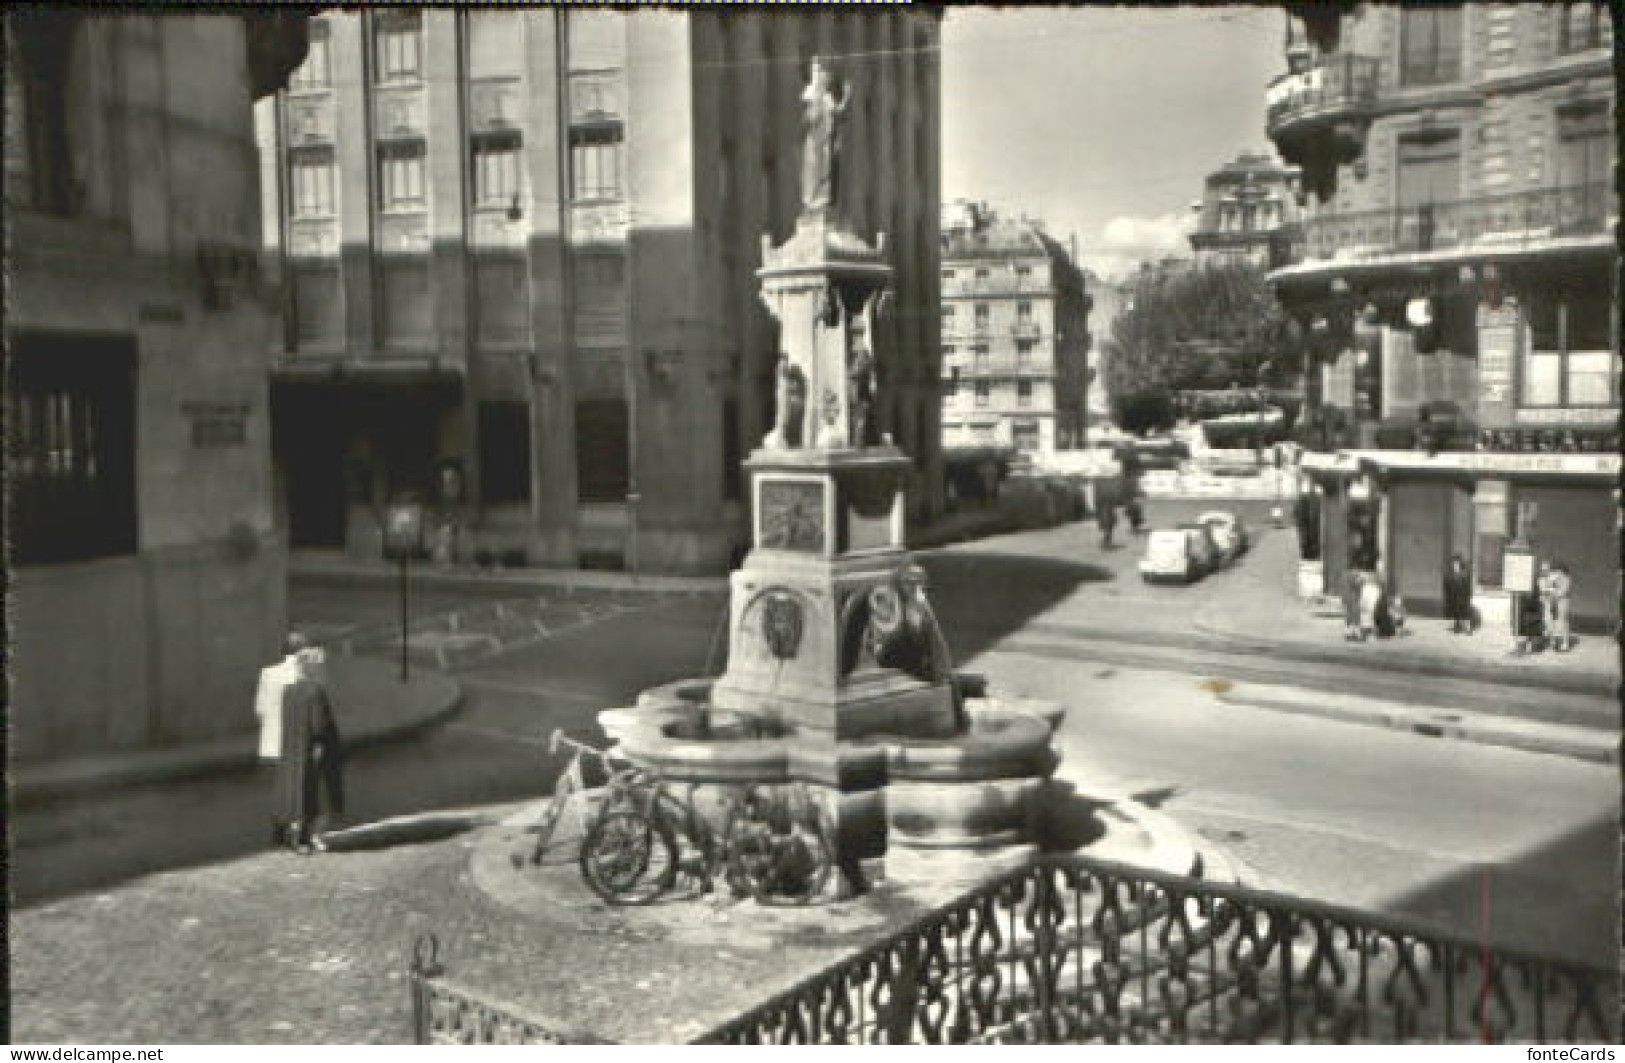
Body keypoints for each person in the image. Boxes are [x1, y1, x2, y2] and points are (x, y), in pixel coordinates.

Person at [276, 645, 345, 854]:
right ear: (312, 669)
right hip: (315, 751)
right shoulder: (316, 692)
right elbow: (319, 725)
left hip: (292, 751)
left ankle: (294, 835)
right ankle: (311, 837)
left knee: (297, 795)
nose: (324, 671)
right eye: (321, 667)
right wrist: (323, 746)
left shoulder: (287, 692)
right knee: (319, 795)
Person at [255, 631, 308, 847]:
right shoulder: (305, 676)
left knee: (278, 786)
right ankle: (295, 830)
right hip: (295, 741)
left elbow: (260, 709)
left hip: (270, 743)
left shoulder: (267, 673)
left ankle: (277, 828)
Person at [1545, 561, 1574, 653]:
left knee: (1563, 621)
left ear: (1562, 570)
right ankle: (1553, 641)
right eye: (1555, 570)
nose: (1556, 572)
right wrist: (1550, 585)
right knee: (1551, 621)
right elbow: (1548, 587)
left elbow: (1564, 591)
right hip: (1553, 601)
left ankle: (1565, 643)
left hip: (1562, 601)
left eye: (1558, 570)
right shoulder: (1553, 577)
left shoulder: (1566, 578)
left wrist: (1554, 593)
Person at [1443, 553, 1474, 634]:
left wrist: (1468, 596)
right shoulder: (1450, 575)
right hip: (1453, 597)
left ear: (1460, 564)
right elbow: (1446, 586)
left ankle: (1467, 628)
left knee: (1465, 613)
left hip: (1463, 597)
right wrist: (1448, 597)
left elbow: (1468, 586)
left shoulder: (1464, 574)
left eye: (1457, 564)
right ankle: (1457, 626)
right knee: (1456, 612)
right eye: (1454, 564)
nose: (1455, 566)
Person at [1357, 569, 1383, 641]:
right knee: (1367, 620)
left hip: (1369, 606)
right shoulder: (1374, 588)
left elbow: (1366, 597)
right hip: (1370, 606)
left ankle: (1368, 635)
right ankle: (1367, 635)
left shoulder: (1369, 588)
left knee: (1368, 620)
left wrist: (1363, 603)